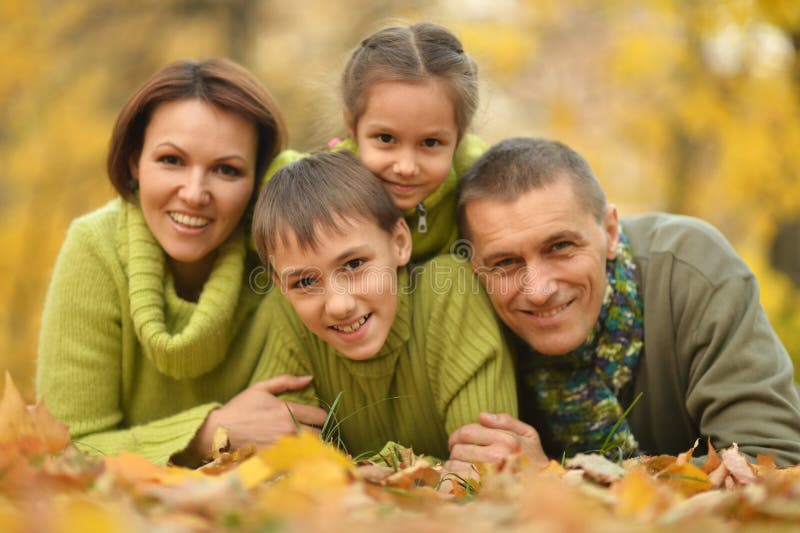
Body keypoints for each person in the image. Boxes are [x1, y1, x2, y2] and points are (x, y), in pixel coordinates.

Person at [36, 59, 327, 467]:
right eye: (172, 160)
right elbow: (61, 448)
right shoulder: (95, 248)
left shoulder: (281, 250)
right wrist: (207, 434)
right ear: (135, 160)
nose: (194, 193)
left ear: (258, 180)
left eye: (227, 170)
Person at [448, 136, 800, 466]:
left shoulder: (692, 269)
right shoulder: (468, 312)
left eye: (560, 247)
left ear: (611, 232)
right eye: (505, 263)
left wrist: (560, 481)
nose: (538, 290)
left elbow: (772, 461)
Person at [249, 151, 517, 459]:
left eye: (354, 264)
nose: (339, 305)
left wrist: (357, 476)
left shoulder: (449, 292)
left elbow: (484, 465)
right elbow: (291, 467)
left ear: (399, 242)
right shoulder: (288, 314)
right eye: (305, 283)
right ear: (281, 285)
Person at [265, 22, 486, 262]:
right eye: (386, 138)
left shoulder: (479, 179)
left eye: (430, 143)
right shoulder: (312, 190)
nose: (406, 167)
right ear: (352, 125)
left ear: (459, 137)